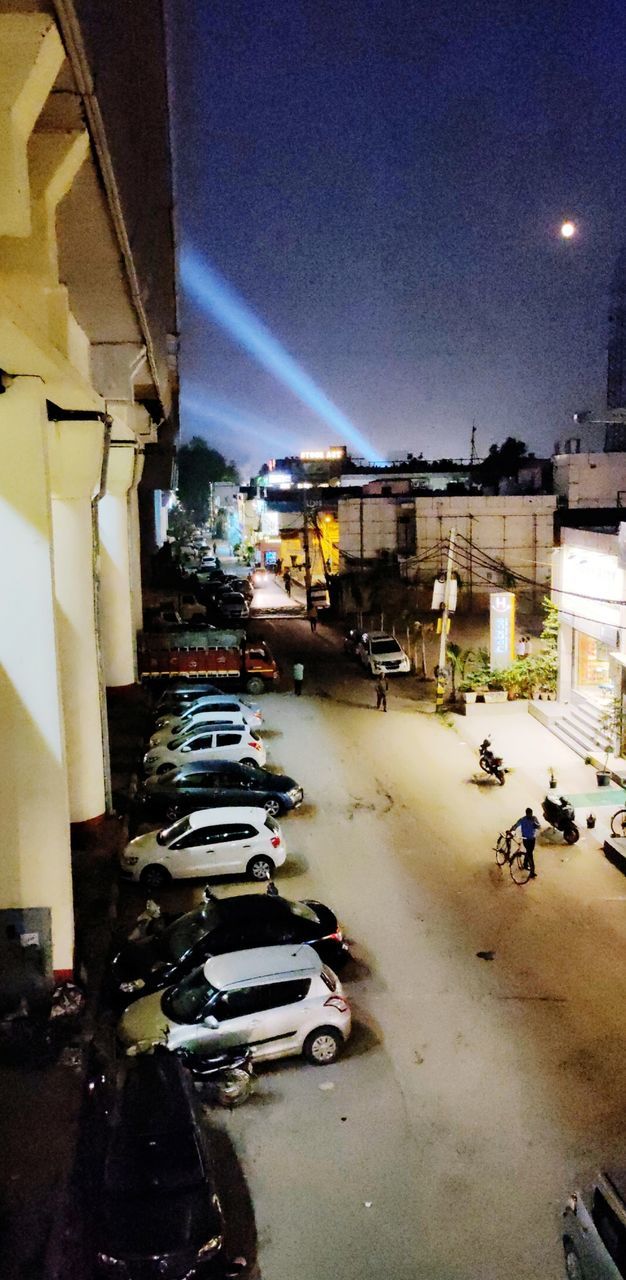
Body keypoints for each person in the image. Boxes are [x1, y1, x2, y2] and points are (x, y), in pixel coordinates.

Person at [508, 807, 541, 878]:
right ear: (526, 814)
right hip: (526, 839)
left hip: (532, 839)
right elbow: (515, 825)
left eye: (531, 814)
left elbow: (539, 826)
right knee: (530, 855)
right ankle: (532, 872)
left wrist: (536, 825)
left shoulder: (534, 818)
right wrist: (510, 831)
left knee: (529, 852)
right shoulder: (522, 819)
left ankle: (525, 863)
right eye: (529, 814)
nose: (530, 815)